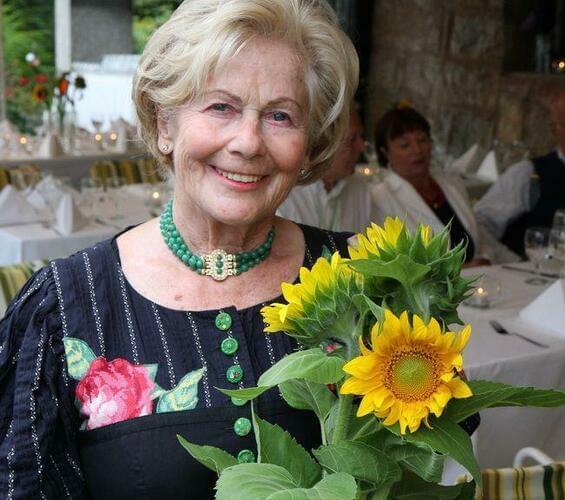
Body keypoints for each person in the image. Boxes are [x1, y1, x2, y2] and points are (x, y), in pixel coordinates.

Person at [0, 1, 359, 498]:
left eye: (281, 116)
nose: (248, 142)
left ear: (309, 143)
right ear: (164, 123)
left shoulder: (360, 281)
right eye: (221, 107)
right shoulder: (65, 305)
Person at [372, 104, 511, 267]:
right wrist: (461, 270)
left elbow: (480, 239)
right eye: (405, 145)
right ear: (385, 153)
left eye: (422, 140)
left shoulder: (451, 183)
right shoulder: (380, 198)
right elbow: (393, 265)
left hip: (482, 276)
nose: (417, 150)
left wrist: (488, 259)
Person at [475, 89, 565, 256]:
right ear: (554, 129)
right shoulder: (527, 174)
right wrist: (504, 259)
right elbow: (480, 224)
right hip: (538, 270)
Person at [277, 105, 372, 232]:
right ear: (324, 144)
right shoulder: (286, 196)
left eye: (361, 136)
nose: (362, 147)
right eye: (352, 139)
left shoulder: (359, 190)